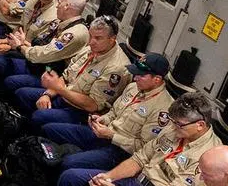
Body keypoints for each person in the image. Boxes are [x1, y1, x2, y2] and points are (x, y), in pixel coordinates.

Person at [44, 91, 222, 186]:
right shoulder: (174, 130)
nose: (174, 128)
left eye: (179, 125)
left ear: (200, 125)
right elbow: (139, 159)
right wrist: (108, 177)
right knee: (71, 177)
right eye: (173, 122)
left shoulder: (208, 156)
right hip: (135, 181)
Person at [42, 52, 172, 171]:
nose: (136, 77)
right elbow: (114, 112)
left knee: (69, 163)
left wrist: (111, 136)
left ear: (157, 79)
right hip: (103, 133)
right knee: (49, 129)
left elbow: (144, 148)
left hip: (120, 151)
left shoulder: (163, 109)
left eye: (141, 75)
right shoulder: (133, 87)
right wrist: (102, 119)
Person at [7, 16, 131, 128]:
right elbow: (66, 76)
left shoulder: (116, 68)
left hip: (81, 111)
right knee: (21, 93)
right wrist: (48, 94)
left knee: (39, 117)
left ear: (112, 39)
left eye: (98, 38)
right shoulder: (89, 50)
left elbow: (92, 105)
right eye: (91, 36)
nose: (92, 42)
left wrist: (60, 90)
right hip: (64, 95)